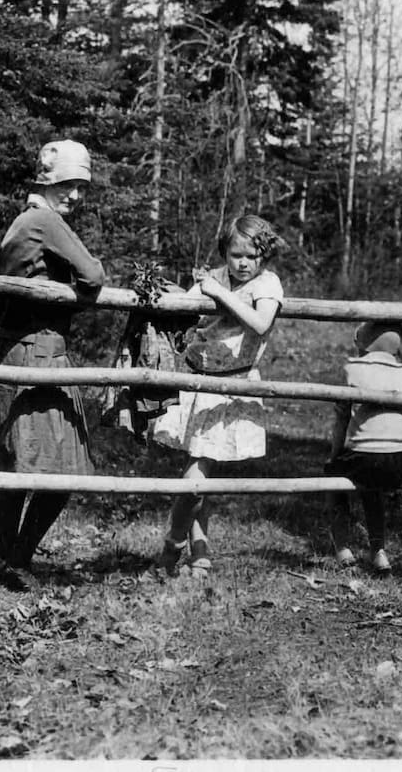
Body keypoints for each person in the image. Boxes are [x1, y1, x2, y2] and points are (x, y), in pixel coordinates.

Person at [0, 139, 107, 585]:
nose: (75, 195)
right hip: (39, 352)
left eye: (80, 186)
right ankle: (16, 558)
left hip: (15, 347)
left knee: (19, 463)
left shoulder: (23, 220)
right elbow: (94, 275)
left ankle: (6, 555)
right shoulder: (42, 220)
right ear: (47, 184)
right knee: (62, 469)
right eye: (67, 184)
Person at [148, 215, 284, 578]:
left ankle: (171, 548)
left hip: (230, 385)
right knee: (200, 472)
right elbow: (189, 308)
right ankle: (199, 552)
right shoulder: (217, 278)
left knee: (198, 472)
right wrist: (177, 292)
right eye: (235, 255)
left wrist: (217, 293)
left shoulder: (267, 283)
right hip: (198, 380)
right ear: (224, 252)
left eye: (251, 256)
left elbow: (260, 323)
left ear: (264, 256)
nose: (242, 263)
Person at [323, 321, 402, 572]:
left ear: (364, 343)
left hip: (369, 459)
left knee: (334, 477)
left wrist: (334, 456)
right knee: (372, 486)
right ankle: (379, 551)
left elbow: (342, 419)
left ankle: (342, 547)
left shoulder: (351, 369)